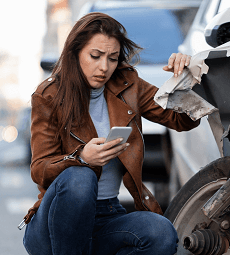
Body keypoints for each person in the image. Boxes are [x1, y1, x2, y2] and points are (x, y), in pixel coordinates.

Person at [22, 12, 200, 255]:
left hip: (107, 215)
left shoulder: (128, 84)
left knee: (161, 233)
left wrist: (187, 79)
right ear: (75, 54)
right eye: (95, 56)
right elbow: (39, 169)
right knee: (80, 178)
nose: (104, 67)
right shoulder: (49, 95)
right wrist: (82, 158)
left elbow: (181, 120)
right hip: (54, 225)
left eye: (113, 58)